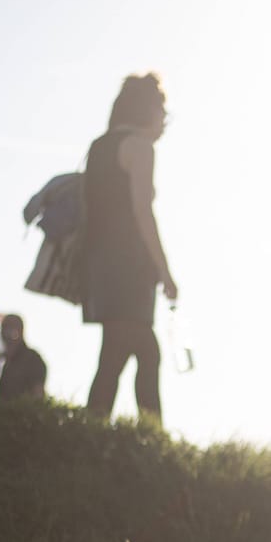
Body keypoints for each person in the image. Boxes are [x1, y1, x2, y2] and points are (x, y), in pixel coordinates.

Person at [83, 74, 177, 421]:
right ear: (148, 110)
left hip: (100, 264)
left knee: (117, 353)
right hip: (129, 267)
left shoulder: (99, 146)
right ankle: (150, 442)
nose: (164, 121)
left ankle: (95, 433)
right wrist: (164, 270)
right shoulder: (139, 147)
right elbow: (142, 211)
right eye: (163, 112)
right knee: (143, 352)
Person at [0, 314, 48, 405]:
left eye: (10, 330)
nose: (5, 334)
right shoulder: (3, 362)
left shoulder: (33, 359)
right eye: (3, 330)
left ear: (20, 332)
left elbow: (38, 397)